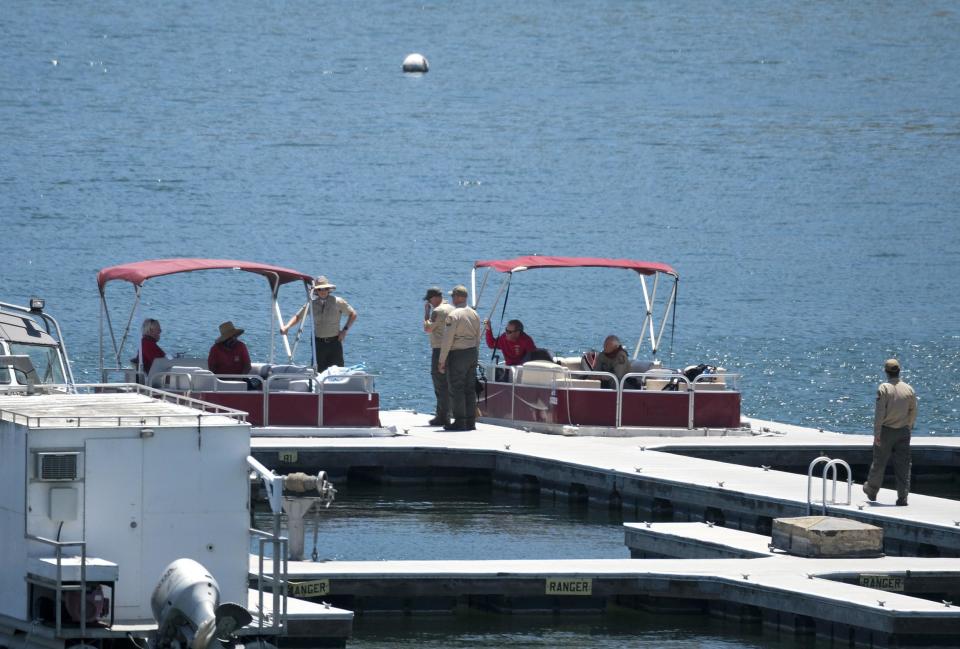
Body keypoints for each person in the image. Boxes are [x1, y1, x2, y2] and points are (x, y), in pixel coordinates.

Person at [863, 359, 918, 506]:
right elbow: (913, 411)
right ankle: (902, 497)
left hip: (886, 431)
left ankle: (872, 490)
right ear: (899, 371)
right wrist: (909, 427)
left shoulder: (884, 388)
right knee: (904, 465)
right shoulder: (909, 389)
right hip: (903, 431)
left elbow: (879, 413)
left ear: (886, 371)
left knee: (879, 462)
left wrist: (877, 434)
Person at [281, 276, 357, 373]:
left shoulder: (338, 301)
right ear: (316, 290)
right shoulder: (311, 304)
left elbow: (353, 314)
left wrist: (345, 330)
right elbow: (298, 316)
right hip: (318, 344)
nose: (323, 291)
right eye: (320, 289)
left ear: (328, 289)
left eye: (325, 288)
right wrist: (287, 327)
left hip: (335, 342)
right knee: (318, 372)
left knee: (338, 372)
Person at [438, 285, 481, 431]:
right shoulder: (474, 314)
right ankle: (471, 421)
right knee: (470, 388)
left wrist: (442, 360)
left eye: (453, 296)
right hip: (472, 352)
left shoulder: (454, 315)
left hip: (458, 354)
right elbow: (478, 337)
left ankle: (459, 421)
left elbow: (447, 339)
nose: (452, 299)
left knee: (457, 388)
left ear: (457, 297)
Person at [423, 286, 454, 426]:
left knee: (439, 383)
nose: (430, 303)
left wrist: (426, 313)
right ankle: (448, 413)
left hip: (439, 349)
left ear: (435, 297)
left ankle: (442, 416)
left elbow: (427, 329)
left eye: (430, 300)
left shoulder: (437, 311)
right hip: (453, 349)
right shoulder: (452, 308)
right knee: (449, 383)